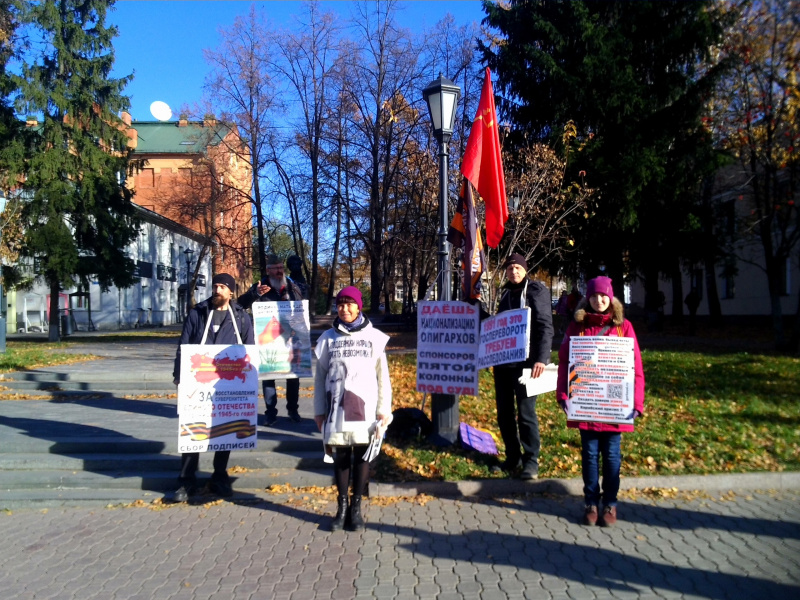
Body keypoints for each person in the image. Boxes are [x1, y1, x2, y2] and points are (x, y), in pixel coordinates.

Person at [556, 276, 645, 527]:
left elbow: (635, 367)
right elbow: (565, 362)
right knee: (590, 456)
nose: (599, 300)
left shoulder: (623, 327)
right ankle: (591, 502)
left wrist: (637, 402)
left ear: (611, 298)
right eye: (594, 296)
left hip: (615, 410)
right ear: (588, 299)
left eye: (603, 296)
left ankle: (611, 503)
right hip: (587, 406)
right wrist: (563, 394)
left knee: (613, 458)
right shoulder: (577, 327)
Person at [313, 286, 392, 531]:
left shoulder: (374, 338)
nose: (344, 309)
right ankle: (342, 507)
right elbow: (320, 377)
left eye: (349, 304)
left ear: (359, 306)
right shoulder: (327, 339)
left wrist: (383, 411)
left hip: (365, 409)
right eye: (340, 304)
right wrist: (318, 410)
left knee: (361, 455)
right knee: (341, 456)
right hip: (336, 407)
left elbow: (383, 378)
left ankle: (356, 509)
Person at [171, 273, 255, 502]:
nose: (217, 290)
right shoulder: (198, 313)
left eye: (222, 287)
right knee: (192, 429)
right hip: (197, 383)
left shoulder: (241, 318)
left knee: (225, 428)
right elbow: (184, 345)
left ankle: (219, 476)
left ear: (231, 292)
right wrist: (179, 375)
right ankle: (186, 481)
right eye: (215, 285)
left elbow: (249, 350)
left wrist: (250, 380)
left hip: (227, 385)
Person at [491, 253, 554, 480]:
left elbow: (545, 325)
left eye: (517, 268)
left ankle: (531, 461)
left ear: (525, 270)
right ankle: (512, 457)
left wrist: (541, 358)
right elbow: (498, 328)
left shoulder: (536, 291)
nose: (514, 272)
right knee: (504, 413)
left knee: (526, 414)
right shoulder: (506, 294)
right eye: (510, 269)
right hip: (504, 364)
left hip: (527, 365)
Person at [238, 253, 306, 426]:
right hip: (269, 340)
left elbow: (302, 305)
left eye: (281, 268)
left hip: (290, 341)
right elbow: (241, 304)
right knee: (269, 376)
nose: (279, 271)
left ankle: (293, 410)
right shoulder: (260, 287)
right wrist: (254, 293)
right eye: (276, 269)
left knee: (293, 376)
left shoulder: (292, 286)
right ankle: (270, 412)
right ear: (268, 270)